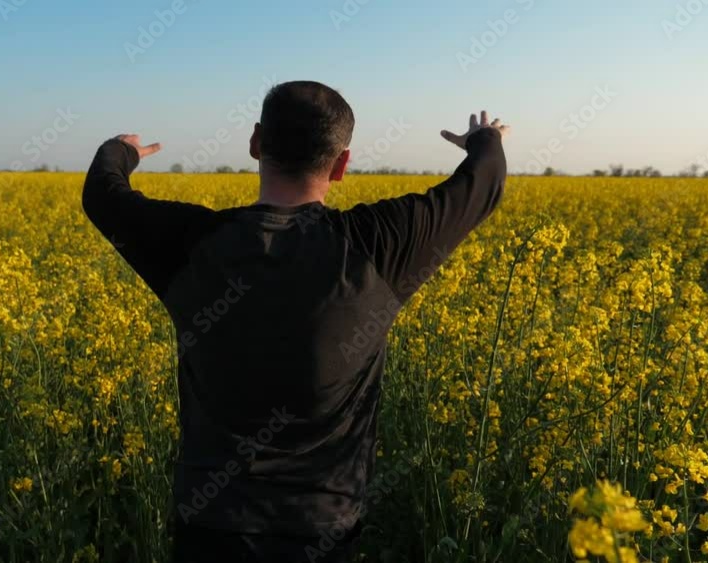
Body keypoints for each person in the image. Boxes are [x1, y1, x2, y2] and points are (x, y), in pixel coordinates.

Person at [82, 81, 509, 562]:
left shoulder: (191, 244)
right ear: (342, 165)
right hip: (323, 531)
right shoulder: (379, 246)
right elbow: (483, 183)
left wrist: (121, 150)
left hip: (209, 526)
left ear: (255, 143)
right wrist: (484, 140)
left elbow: (102, 193)